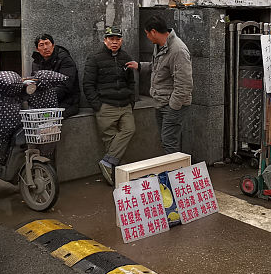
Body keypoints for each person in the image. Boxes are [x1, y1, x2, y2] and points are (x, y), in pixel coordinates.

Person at [126, 16, 192, 156]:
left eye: (147, 33)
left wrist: (173, 106)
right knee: (166, 140)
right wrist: (139, 66)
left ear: (154, 32)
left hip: (172, 105)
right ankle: (172, 172)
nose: (147, 37)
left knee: (169, 141)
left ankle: (174, 174)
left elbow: (184, 84)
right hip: (160, 102)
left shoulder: (178, 50)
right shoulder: (161, 46)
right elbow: (158, 67)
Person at [84, 27, 138, 185]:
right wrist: (97, 105)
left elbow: (131, 81)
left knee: (130, 129)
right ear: (105, 40)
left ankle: (107, 162)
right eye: (111, 39)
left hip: (125, 104)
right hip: (106, 105)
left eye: (117, 39)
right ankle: (114, 178)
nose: (114, 42)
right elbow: (88, 84)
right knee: (111, 140)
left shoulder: (126, 57)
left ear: (121, 40)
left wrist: (131, 100)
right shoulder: (94, 58)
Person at [31, 34, 81, 117]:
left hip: (67, 102)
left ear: (53, 45)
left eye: (47, 44)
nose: (45, 47)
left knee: (47, 118)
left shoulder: (64, 59)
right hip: (45, 103)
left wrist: (47, 98)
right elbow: (35, 82)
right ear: (37, 49)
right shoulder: (36, 62)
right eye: (41, 45)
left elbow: (66, 84)